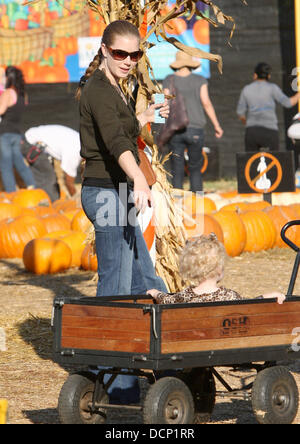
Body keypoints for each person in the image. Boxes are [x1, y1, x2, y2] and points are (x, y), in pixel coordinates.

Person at [76, 20, 169, 404]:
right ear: (103, 50)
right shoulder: (98, 89)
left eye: (135, 54)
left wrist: (144, 116)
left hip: (118, 192)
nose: (128, 60)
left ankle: (168, 369)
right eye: (120, 53)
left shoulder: (116, 86)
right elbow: (115, 141)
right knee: (117, 290)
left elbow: (122, 127)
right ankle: (113, 384)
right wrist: (140, 180)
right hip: (105, 194)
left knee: (146, 281)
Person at [147, 233, 286, 305]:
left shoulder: (183, 297)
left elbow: (165, 299)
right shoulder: (229, 296)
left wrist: (155, 293)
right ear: (219, 270)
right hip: (223, 347)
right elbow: (250, 305)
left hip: (191, 347)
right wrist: (268, 296)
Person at [162, 50, 223, 192]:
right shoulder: (199, 80)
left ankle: (176, 205)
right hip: (195, 129)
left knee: (176, 169)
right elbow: (206, 102)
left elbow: (164, 102)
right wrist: (217, 125)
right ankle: (198, 205)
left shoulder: (168, 79)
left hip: (175, 129)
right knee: (195, 168)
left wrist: (161, 124)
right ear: (190, 64)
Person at [237, 62, 300, 152]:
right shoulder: (272, 88)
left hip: (252, 131)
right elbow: (288, 103)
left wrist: (248, 124)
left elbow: (240, 113)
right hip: (270, 130)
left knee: (250, 161)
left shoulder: (246, 89)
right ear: (269, 76)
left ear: (255, 75)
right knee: (274, 159)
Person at [22, 125, 82, 201]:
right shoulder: (75, 153)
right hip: (30, 143)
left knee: (51, 176)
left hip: (36, 140)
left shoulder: (81, 142)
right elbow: (68, 183)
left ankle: (54, 202)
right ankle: (47, 206)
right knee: (48, 177)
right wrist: (77, 200)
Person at [0, 66, 35, 192]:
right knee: (19, 163)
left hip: (4, 134)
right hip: (16, 134)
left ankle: (11, 194)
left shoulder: (8, 93)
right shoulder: (22, 95)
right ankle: (32, 187)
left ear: (9, 78)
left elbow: (1, 110)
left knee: (5, 166)